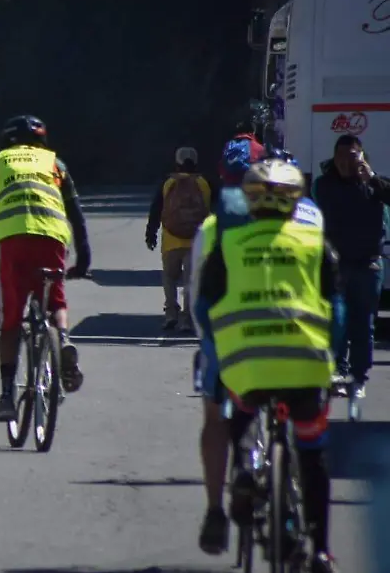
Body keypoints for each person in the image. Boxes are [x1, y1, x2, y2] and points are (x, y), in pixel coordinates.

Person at [189, 158, 340, 573]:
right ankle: (322, 550)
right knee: (313, 452)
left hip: (245, 363)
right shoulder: (314, 241)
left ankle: (240, 472)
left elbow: (202, 306)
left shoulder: (225, 240)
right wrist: (334, 358)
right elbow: (336, 311)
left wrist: (219, 351)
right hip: (306, 366)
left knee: (234, 415)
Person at [0, 115, 90, 422]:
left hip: (10, 241)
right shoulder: (55, 164)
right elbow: (76, 214)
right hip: (51, 236)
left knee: (10, 322)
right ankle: (62, 340)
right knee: (56, 300)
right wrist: (84, 259)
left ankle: (8, 395)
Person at [312, 133, 390, 397]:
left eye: (352, 156)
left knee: (364, 324)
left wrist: (372, 180)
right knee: (337, 320)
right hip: (336, 266)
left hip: (369, 265)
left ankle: (359, 377)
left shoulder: (374, 184)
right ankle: (336, 369)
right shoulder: (325, 185)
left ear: (362, 157)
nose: (346, 162)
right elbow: (327, 206)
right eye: (341, 157)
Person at [145, 146, 211, 332]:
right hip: (196, 240)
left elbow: (156, 210)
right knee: (191, 280)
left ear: (177, 163)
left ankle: (171, 313)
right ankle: (187, 318)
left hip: (171, 240)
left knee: (169, 277)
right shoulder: (204, 184)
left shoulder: (167, 184)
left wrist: (151, 233)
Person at [219, 117, 266, 188]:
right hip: (250, 190)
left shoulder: (228, 145)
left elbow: (222, 167)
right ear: (253, 132)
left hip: (230, 189)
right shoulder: (258, 148)